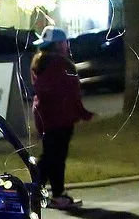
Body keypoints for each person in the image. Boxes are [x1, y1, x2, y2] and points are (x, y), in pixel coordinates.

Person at [29, 28, 92, 208]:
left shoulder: (40, 62)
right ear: (58, 44)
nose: (67, 45)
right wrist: (82, 112)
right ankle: (44, 193)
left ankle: (45, 192)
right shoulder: (59, 64)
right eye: (65, 42)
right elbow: (69, 92)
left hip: (46, 116)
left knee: (51, 156)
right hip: (59, 117)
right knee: (54, 157)